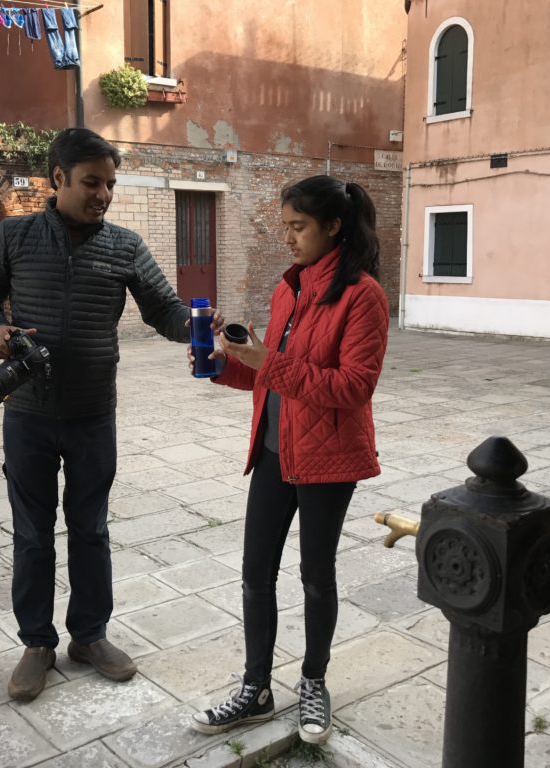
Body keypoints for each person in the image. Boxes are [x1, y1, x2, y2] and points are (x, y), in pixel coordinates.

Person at [0, 128, 218, 702]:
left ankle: (89, 636)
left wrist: (200, 325)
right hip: (27, 415)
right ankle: (36, 643)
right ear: (57, 178)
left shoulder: (125, 247)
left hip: (92, 416)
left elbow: (164, 310)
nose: (102, 194)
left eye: (110, 184)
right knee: (32, 534)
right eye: (91, 183)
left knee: (92, 529)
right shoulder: (12, 237)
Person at [189, 175, 389, 744]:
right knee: (256, 573)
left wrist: (266, 359)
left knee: (315, 576)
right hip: (275, 452)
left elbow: (352, 386)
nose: (288, 239)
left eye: (297, 227)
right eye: (284, 228)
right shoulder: (288, 289)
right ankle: (256, 687)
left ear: (333, 227)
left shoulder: (362, 295)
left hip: (329, 460)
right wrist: (224, 364)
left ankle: (313, 682)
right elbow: (270, 379)